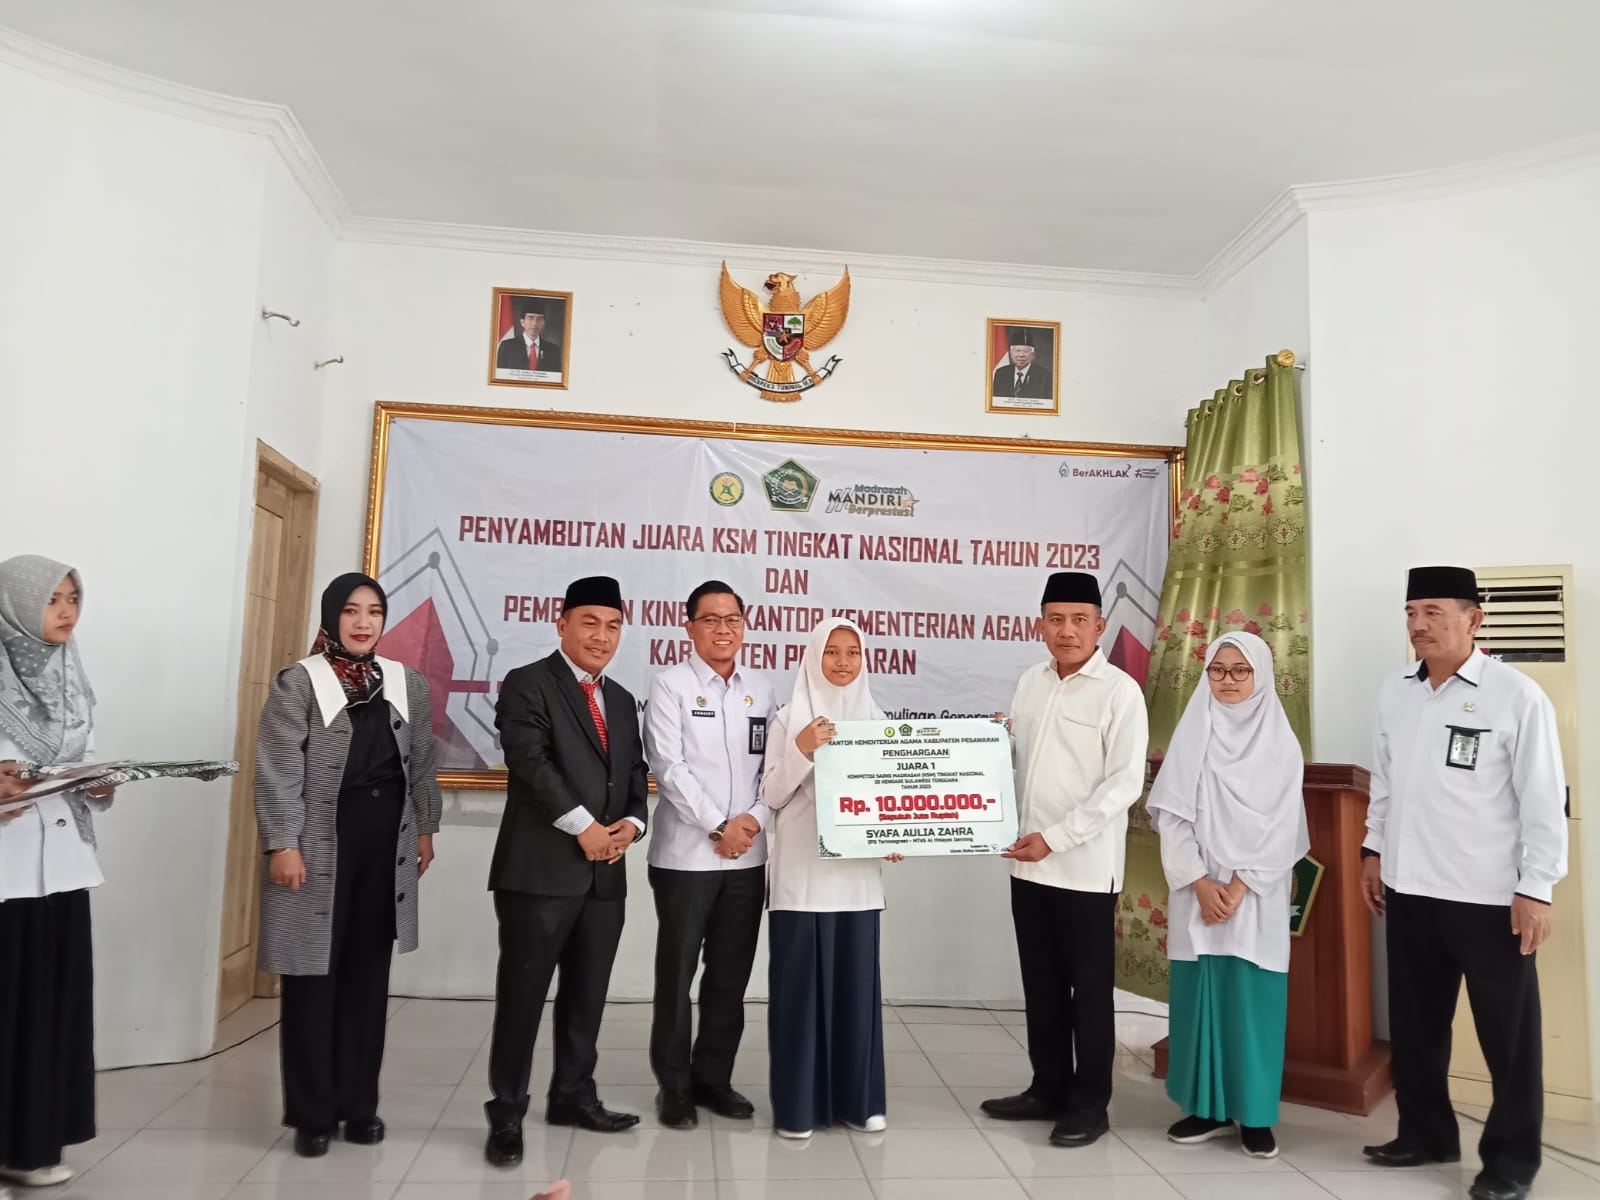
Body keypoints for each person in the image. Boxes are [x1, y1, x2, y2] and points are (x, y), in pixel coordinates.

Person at [1360, 566, 1567, 1200]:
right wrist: (1373, 850)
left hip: (1489, 898)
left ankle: (1511, 1162)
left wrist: (1537, 887)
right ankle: (1425, 1135)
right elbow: (1384, 783)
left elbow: (1543, 799)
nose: (1418, 625)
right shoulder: (1395, 692)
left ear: (1473, 619)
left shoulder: (1516, 695)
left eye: (1433, 612)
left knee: (1508, 1037)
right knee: (1417, 1027)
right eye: (1411, 612)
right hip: (1410, 888)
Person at [254, 573, 442, 1158]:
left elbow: (422, 760)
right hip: (317, 844)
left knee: (367, 975)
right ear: (332, 615)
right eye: (352, 611)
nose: (363, 623)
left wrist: (427, 828)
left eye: (374, 612)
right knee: (313, 977)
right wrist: (282, 844)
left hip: (386, 843)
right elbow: (278, 767)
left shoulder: (405, 682)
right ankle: (312, 1114)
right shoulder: (299, 681)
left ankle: (359, 1106)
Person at [484, 575, 650, 1167]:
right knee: (523, 997)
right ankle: (507, 1112)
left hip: (605, 876)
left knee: (587, 995)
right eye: (590, 623)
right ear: (562, 624)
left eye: (613, 626)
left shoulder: (622, 700)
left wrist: (632, 825)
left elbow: (634, 774)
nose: (602, 636)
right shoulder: (528, 682)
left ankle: (573, 1096)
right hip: (539, 874)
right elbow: (530, 762)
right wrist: (584, 827)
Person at [983, 570, 1149, 1148]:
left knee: (1089, 990)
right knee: (1042, 984)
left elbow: (1122, 785)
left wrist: (1056, 837)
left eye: (1080, 620)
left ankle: (1089, 1104)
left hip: (1084, 869)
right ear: (1040, 625)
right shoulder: (1030, 683)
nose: (1067, 630)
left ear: (1100, 626)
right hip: (1027, 863)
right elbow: (1019, 763)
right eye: (1056, 619)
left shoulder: (1120, 692)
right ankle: (1047, 1088)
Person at [1147, 632, 1307, 1160]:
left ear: (1260, 676)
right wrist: (1199, 882)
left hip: (1254, 895)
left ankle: (1255, 1116)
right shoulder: (1194, 732)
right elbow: (1171, 816)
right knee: (1201, 1000)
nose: (1228, 681)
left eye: (1241, 671)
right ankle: (1206, 1110)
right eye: (1218, 670)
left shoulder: (1281, 745)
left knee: (1253, 1001)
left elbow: (1283, 826)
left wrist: (1238, 886)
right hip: (1197, 892)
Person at [762, 617, 903, 1139]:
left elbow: (891, 796)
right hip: (801, 879)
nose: (843, 662)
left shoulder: (876, 720)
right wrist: (802, 749)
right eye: (832, 652)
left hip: (857, 881)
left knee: (856, 994)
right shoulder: (788, 719)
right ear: (812, 657)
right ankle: (798, 1108)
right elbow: (771, 795)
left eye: (853, 652)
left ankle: (859, 1103)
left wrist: (895, 833)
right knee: (800, 998)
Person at [643, 580, 775, 1129]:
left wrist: (752, 821)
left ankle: (714, 1079)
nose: (724, 629)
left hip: (748, 857)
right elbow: (668, 767)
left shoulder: (761, 689)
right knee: (676, 976)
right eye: (711, 619)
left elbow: (773, 770)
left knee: (730, 974)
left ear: (744, 625)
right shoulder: (669, 685)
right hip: (686, 859)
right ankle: (674, 1086)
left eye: (733, 620)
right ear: (689, 626)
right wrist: (719, 825)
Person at [0, 556, 114, 1189]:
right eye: (52, 598)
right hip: (5, 874)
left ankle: (30, 1147)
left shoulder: (70, 670)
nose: (67, 611)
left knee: (49, 1013)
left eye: (73, 598)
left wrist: (99, 786)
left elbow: (84, 757)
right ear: (17, 603)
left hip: (63, 872)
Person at [496, 298, 563, 374]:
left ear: (543, 323)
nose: (534, 323)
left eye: (539, 319)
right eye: (530, 318)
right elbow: (501, 376)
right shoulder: (507, 347)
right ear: (522, 322)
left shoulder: (553, 350)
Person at [991, 327, 1053, 400]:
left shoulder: (1045, 376)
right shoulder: (1001, 373)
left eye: (1026, 351)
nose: (1021, 355)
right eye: (1017, 351)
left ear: (1033, 355)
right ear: (1011, 353)